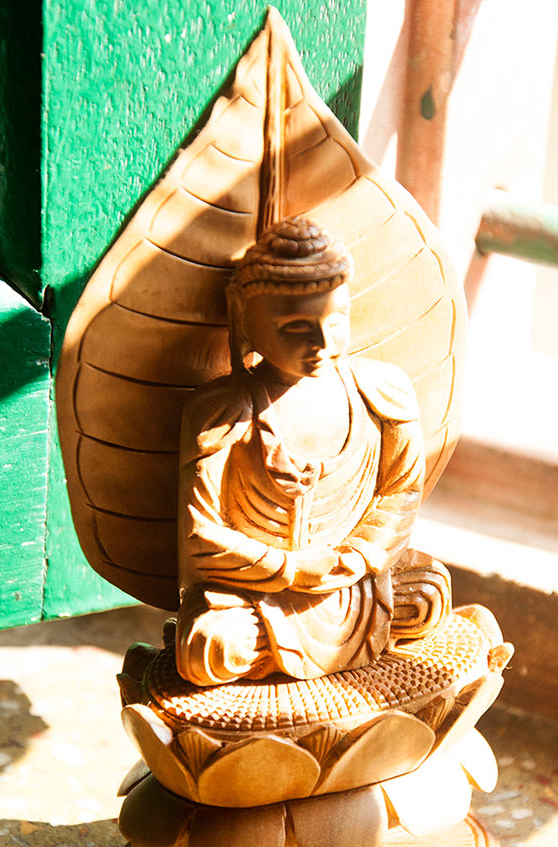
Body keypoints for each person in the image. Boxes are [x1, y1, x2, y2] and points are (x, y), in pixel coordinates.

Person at [176, 217, 450, 686]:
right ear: (245, 318)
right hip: (257, 598)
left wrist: (358, 556)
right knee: (211, 648)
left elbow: (401, 491)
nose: (322, 343)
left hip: (357, 586)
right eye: (296, 327)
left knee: (431, 595)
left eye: (335, 321)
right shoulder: (222, 410)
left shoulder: (382, 391)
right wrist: (293, 569)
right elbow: (200, 538)